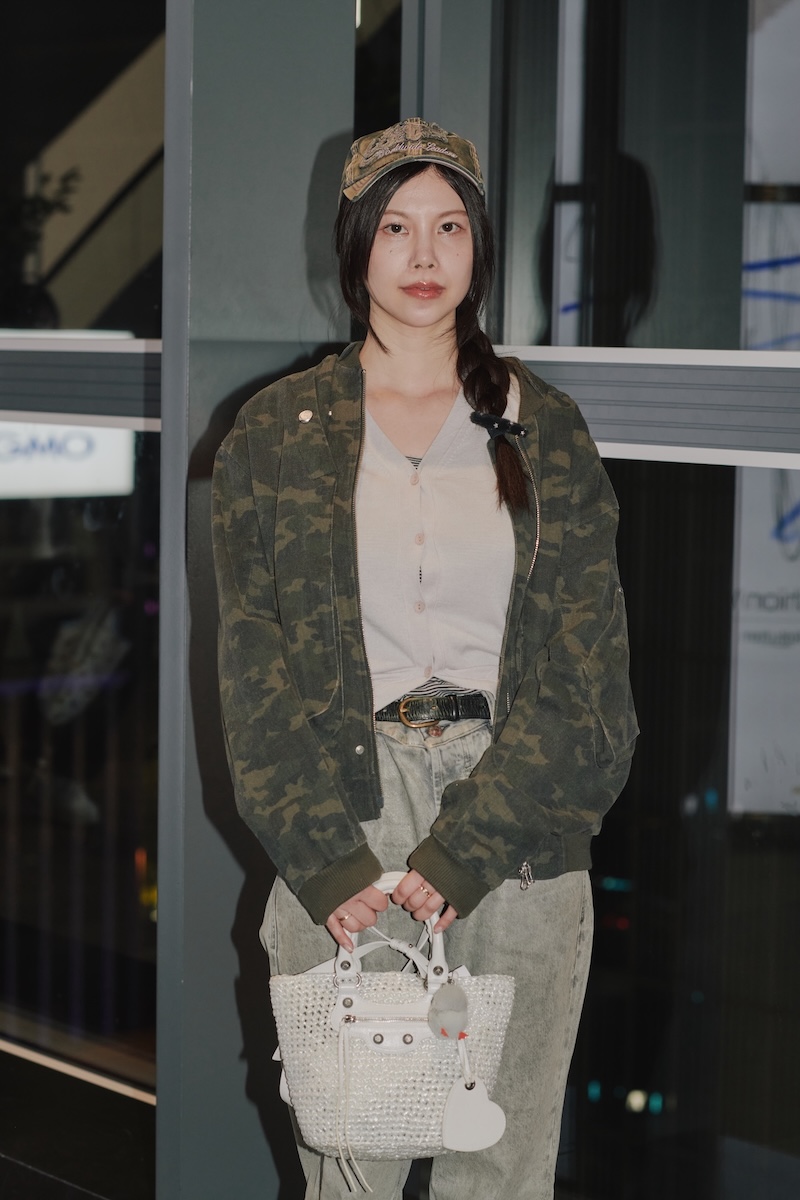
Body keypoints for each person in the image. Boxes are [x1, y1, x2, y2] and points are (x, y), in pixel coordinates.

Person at [212, 118, 638, 1200]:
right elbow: (253, 676)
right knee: (350, 1168)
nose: (423, 254)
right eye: (396, 226)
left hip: (518, 821)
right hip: (346, 809)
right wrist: (326, 863)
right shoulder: (275, 433)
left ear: (479, 245)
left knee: (497, 1171)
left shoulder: (543, 426)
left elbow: (589, 683)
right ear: (355, 243)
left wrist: (463, 853)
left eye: (449, 226)